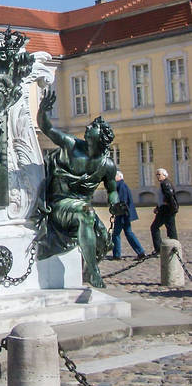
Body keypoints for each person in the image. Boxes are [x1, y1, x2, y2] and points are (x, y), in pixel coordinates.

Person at [36, 91, 124, 288]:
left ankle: (88, 268)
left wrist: (115, 204)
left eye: (92, 127)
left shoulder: (107, 165)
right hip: (59, 204)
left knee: (104, 240)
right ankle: (93, 272)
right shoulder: (71, 145)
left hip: (81, 207)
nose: (87, 127)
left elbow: (112, 190)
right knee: (87, 215)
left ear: (100, 136)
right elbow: (46, 127)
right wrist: (42, 110)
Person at [111, 171, 145, 260]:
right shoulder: (122, 185)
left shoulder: (121, 186)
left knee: (116, 234)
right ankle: (140, 252)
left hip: (122, 214)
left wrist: (115, 213)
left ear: (119, 177)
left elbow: (122, 202)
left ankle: (117, 255)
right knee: (128, 233)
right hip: (124, 214)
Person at [150, 168, 179, 255]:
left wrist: (169, 207)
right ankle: (172, 247)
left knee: (157, 227)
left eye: (159, 174)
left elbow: (169, 195)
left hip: (167, 209)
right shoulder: (164, 183)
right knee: (169, 228)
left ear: (164, 175)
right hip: (164, 209)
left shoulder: (165, 183)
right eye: (157, 174)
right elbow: (163, 198)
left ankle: (164, 248)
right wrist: (158, 207)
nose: (158, 176)